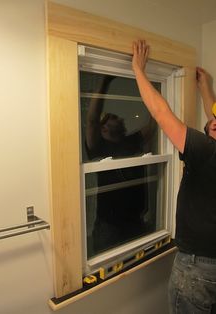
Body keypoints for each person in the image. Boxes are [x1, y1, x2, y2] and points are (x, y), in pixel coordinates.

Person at [132, 39, 216, 314]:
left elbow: (160, 111)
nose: (212, 120)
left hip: (195, 268)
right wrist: (206, 88)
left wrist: (138, 69)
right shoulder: (209, 149)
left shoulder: (206, 151)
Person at [85, 74, 157, 256]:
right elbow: (92, 120)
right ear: (104, 128)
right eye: (113, 117)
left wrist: (153, 86)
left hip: (136, 220)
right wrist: (104, 82)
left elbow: (153, 125)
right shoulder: (98, 147)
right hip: (109, 224)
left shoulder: (131, 141)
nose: (120, 118)